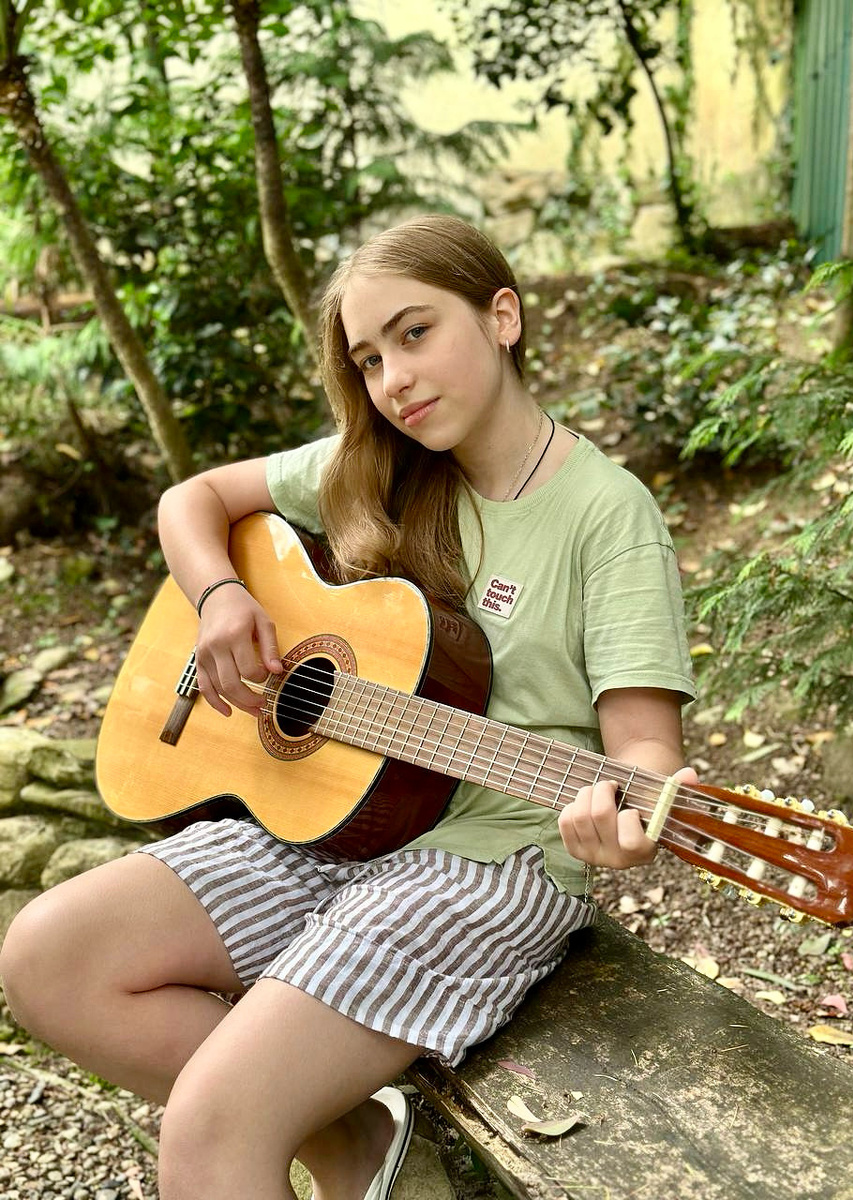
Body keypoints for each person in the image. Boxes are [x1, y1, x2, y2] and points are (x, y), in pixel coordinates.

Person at [0, 214, 697, 1200]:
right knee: (49, 958)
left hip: (490, 861)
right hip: (338, 817)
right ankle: (354, 1140)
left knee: (207, 1134)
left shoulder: (606, 513)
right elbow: (191, 500)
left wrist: (623, 823)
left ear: (502, 317)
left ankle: (302, 1126)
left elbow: (645, 749)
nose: (394, 379)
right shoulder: (376, 468)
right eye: (369, 359)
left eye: (415, 333)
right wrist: (222, 596)